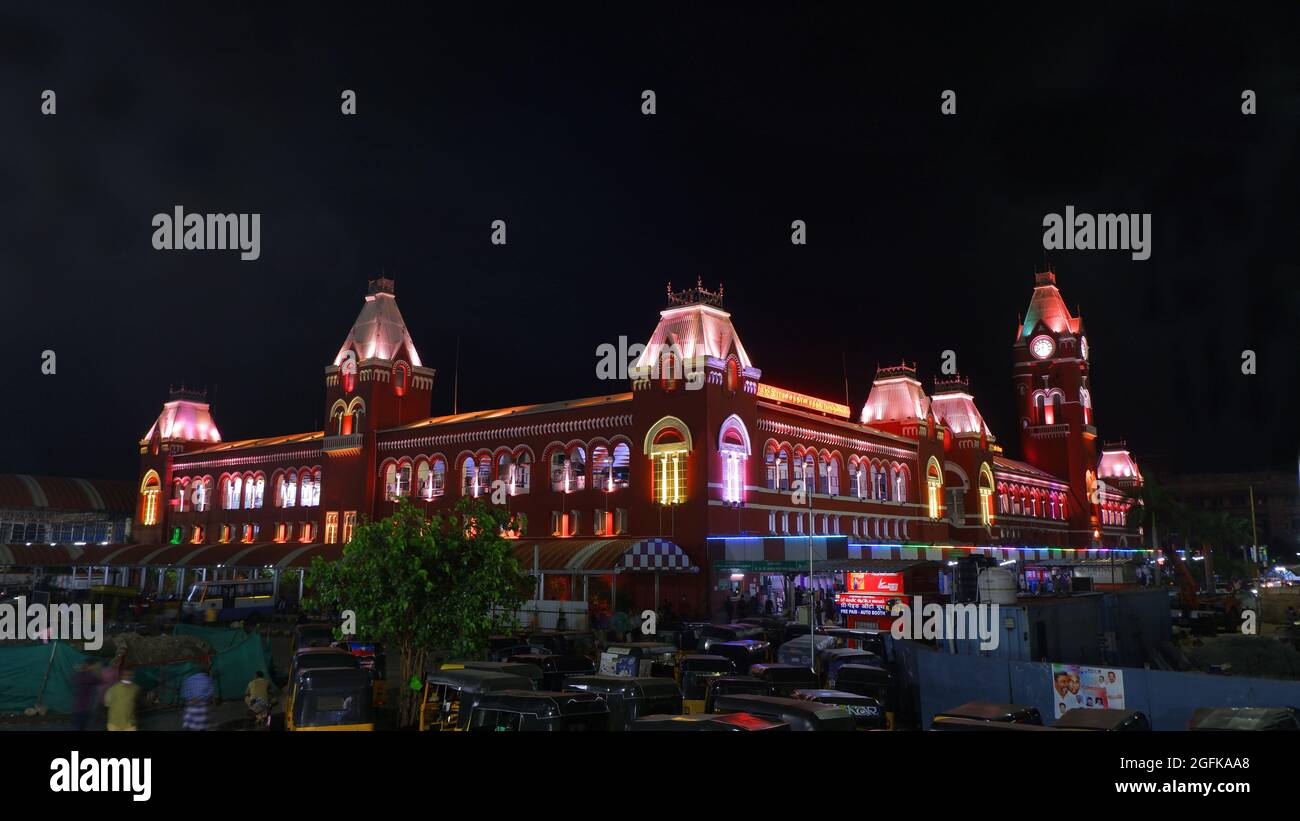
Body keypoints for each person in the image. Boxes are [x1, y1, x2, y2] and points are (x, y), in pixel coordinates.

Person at [180, 662, 216, 731]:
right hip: (202, 707)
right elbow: (210, 693)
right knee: (202, 725)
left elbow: (184, 692)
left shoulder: (189, 679)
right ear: (207, 672)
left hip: (191, 706)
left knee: (190, 725)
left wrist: (192, 699)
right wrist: (200, 698)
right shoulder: (208, 680)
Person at [71, 660, 100, 731]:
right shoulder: (86, 676)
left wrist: (90, 669)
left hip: (82, 707)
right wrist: (94, 669)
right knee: (81, 726)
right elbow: (97, 680)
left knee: (81, 726)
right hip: (83, 707)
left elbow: (97, 680)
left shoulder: (81, 676)